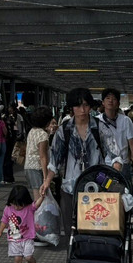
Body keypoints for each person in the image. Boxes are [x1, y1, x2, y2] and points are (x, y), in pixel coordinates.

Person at [42, 87, 104, 233]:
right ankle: (73, 253)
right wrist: (47, 181)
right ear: (72, 107)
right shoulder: (64, 130)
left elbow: (113, 155)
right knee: (71, 228)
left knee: (95, 228)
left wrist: (114, 176)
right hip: (70, 187)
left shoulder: (100, 128)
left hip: (96, 187)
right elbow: (55, 160)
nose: (82, 109)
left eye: (86, 105)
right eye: (78, 105)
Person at [0, 184, 45, 263]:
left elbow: (37, 204)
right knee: (17, 259)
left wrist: (42, 197)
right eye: (14, 204)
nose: (17, 207)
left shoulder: (29, 208)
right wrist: (0, 232)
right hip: (14, 238)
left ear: (25, 202)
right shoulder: (8, 208)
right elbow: (4, 221)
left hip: (27, 237)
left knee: (28, 257)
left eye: (19, 205)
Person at [96, 87, 133, 186]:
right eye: (108, 98)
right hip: (103, 165)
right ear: (103, 102)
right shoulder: (96, 121)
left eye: (114, 99)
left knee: (125, 192)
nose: (111, 101)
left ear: (118, 103)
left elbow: (132, 143)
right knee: (105, 194)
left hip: (123, 164)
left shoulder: (125, 120)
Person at [23, 106, 54, 193]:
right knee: (40, 198)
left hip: (28, 166)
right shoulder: (43, 135)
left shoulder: (32, 131)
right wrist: (46, 177)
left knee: (37, 196)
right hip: (37, 168)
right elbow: (43, 156)